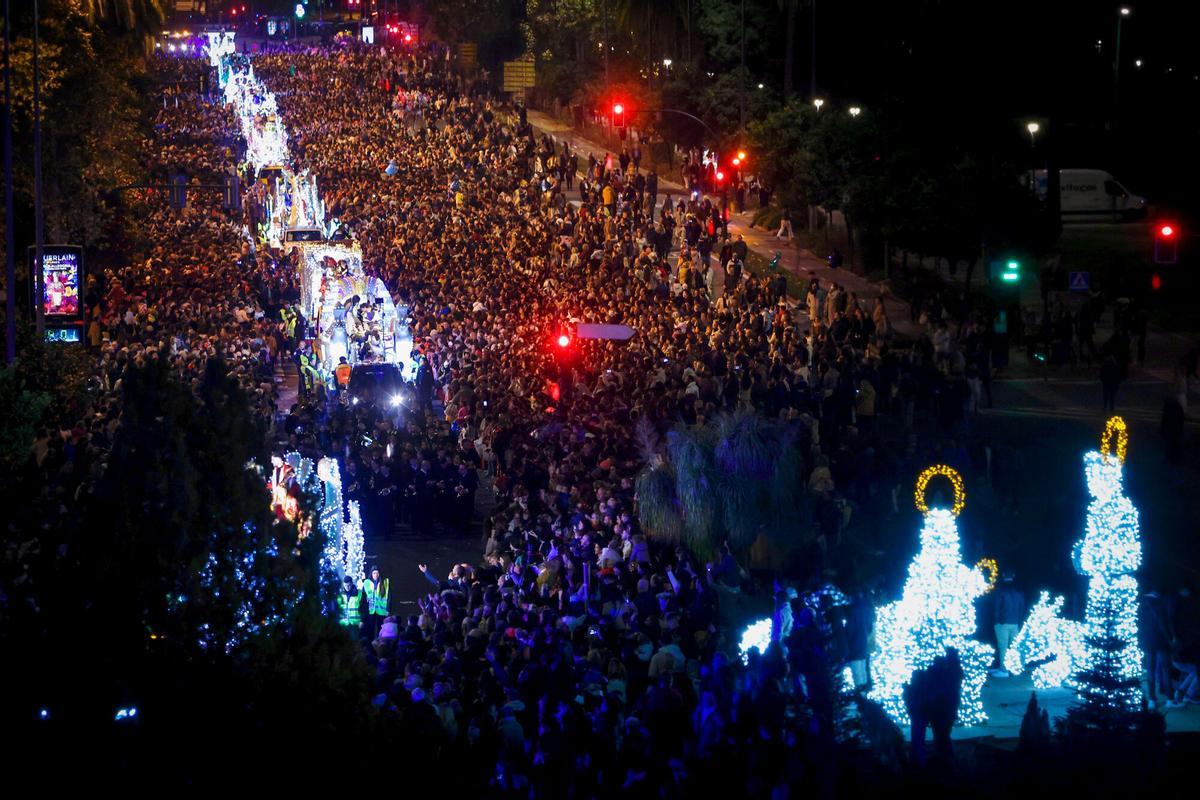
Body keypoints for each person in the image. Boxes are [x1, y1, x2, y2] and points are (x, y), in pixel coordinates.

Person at [992, 575, 1022, 676]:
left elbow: (997, 607)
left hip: (1002, 623)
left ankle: (1003, 670)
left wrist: (996, 621)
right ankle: (1015, 669)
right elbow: (1022, 607)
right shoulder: (1018, 593)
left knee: (1003, 647)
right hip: (1015, 623)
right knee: (1014, 647)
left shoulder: (1001, 592)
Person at [362, 566, 390, 638]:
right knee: (370, 629)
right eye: (374, 573)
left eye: (377, 573)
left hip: (381, 611)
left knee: (380, 630)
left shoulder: (385, 583)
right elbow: (364, 596)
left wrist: (388, 609)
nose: (376, 575)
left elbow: (389, 596)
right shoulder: (367, 583)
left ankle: (379, 645)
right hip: (370, 610)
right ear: (371, 574)